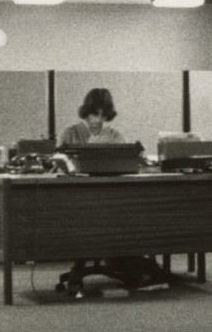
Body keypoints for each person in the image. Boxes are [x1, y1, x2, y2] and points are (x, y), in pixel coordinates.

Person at [53, 89, 164, 297]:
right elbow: (59, 162)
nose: (98, 120)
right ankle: (82, 267)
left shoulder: (115, 135)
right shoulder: (70, 132)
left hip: (111, 197)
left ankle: (133, 267)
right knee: (90, 219)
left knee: (123, 216)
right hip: (78, 198)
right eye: (95, 115)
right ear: (86, 112)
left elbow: (128, 164)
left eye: (103, 116)